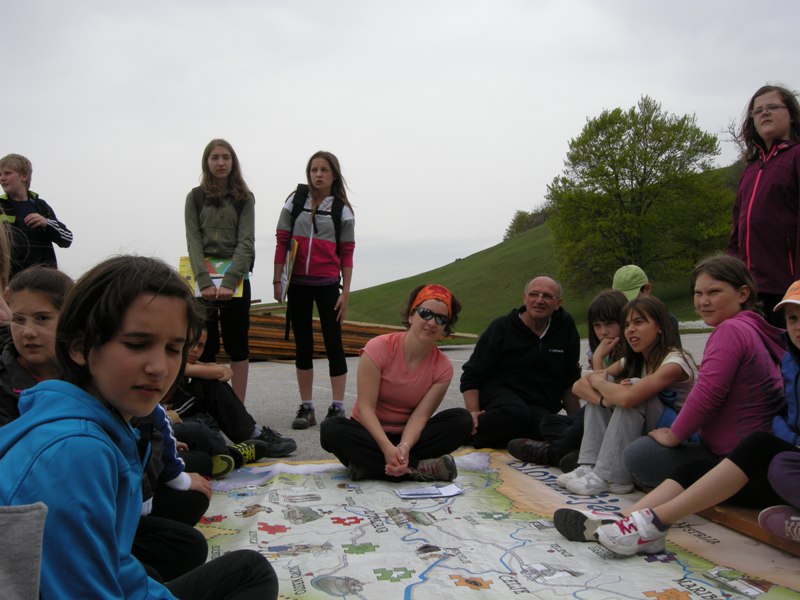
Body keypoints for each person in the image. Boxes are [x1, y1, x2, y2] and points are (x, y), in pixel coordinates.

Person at [0, 255, 278, 599]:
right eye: (136, 344)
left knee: (248, 569)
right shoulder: (76, 452)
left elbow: (117, 565)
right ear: (80, 348)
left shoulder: (106, 424)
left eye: (173, 348)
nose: (159, 367)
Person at [622, 255, 785, 490]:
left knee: (639, 455)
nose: (703, 301)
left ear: (743, 294)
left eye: (713, 292)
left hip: (735, 459)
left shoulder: (730, 331)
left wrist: (674, 436)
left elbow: (708, 395)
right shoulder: (753, 326)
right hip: (752, 453)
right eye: (698, 293)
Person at [320, 284, 472, 481]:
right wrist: (386, 448)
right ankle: (417, 468)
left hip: (409, 438)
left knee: (461, 420)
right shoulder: (379, 348)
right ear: (411, 315)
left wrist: (404, 447)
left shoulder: (443, 368)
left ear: (445, 328)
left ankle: (370, 466)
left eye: (441, 319)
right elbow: (365, 409)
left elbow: (420, 417)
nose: (432, 322)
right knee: (331, 429)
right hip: (369, 433)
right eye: (425, 313)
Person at [556, 297, 697, 496]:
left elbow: (627, 398)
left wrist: (605, 387)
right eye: (627, 325)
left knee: (632, 388)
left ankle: (611, 477)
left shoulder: (675, 362)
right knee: (611, 388)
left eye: (638, 322)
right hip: (649, 429)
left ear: (659, 326)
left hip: (678, 435)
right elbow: (579, 386)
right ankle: (590, 465)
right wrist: (604, 390)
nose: (630, 330)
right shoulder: (633, 359)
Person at [273, 151, 355, 430]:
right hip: (297, 284)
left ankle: (337, 407)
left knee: (334, 344)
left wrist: (346, 292)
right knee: (303, 346)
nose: (318, 174)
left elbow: (347, 252)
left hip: (328, 284)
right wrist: (277, 280)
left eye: (324, 170)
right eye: (313, 170)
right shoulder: (295, 201)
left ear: (334, 175)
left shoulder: (342, 210)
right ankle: (306, 407)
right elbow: (281, 240)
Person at [507, 289, 627, 468]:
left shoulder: (629, 354)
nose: (603, 332)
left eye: (610, 323)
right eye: (597, 325)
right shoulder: (607, 351)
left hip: (621, 418)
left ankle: (551, 454)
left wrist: (597, 359)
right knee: (549, 423)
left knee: (584, 418)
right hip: (604, 410)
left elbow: (599, 386)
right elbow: (579, 387)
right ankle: (583, 451)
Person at [461, 275, 581, 449]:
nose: (539, 300)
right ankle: (466, 431)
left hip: (539, 404)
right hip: (501, 397)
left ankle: (522, 446)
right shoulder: (502, 327)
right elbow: (472, 374)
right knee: (516, 414)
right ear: (524, 298)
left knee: (554, 427)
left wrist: (576, 424)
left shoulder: (565, 327)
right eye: (534, 294)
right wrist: (473, 414)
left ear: (558, 303)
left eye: (547, 296)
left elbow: (569, 380)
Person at [185, 139, 256, 404]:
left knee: (238, 345)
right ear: (207, 162)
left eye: (226, 157)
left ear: (233, 162)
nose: (221, 162)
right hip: (202, 281)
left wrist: (229, 280)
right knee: (205, 344)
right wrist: (204, 281)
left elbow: (246, 241)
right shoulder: (195, 197)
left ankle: (238, 406)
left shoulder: (244, 198)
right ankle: (208, 404)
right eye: (215, 157)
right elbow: (193, 240)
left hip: (236, 279)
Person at [727, 84, 800, 327]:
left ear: (791, 114)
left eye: (773, 107)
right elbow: (737, 231)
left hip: (788, 288)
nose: (765, 113)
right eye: (758, 111)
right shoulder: (749, 170)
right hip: (752, 290)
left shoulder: (797, 156)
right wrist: (731, 275)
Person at [165, 325, 296, 459]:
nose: (195, 349)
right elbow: (220, 372)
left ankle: (253, 433)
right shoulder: (172, 361)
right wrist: (214, 370)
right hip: (164, 415)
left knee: (211, 386)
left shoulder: (187, 362)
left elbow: (227, 372)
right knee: (208, 385)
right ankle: (251, 436)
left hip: (174, 411)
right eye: (190, 343)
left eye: (201, 345)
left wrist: (213, 369)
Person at [0, 266, 73, 426]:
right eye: (18, 320)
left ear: (69, 318)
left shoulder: (97, 380)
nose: (28, 332)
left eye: (41, 318)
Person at [0, 154, 73, 277]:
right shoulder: (1, 207)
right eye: (0, 174)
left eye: (7, 173)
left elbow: (67, 239)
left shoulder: (40, 206)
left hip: (42, 279)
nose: (2, 178)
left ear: (24, 176)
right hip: (11, 281)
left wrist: (46, 223)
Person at [612, 264, 681, 347]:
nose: (628, 306)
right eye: (623, 301)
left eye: (633, 299)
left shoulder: (666, 319)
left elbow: (675, 350)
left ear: (647, 289)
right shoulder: (614, 321)